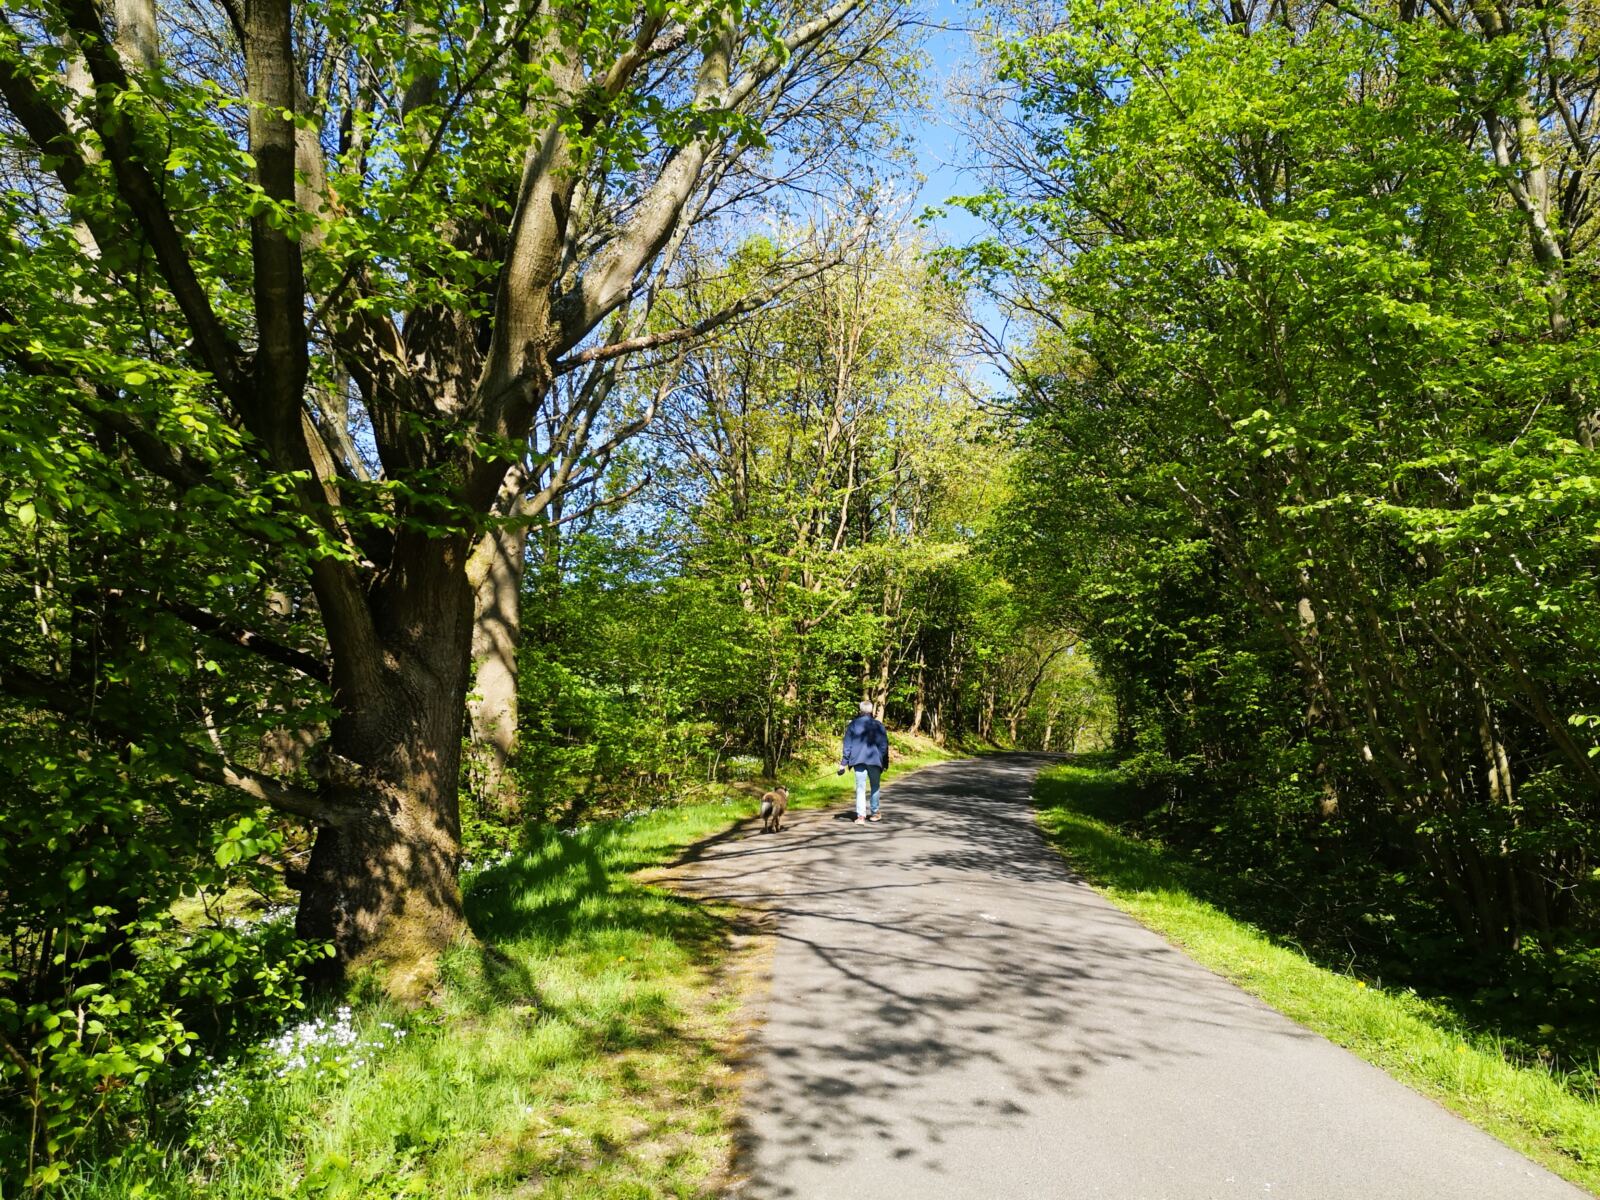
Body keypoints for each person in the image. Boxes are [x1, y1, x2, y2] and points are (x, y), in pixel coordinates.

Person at [840, 700, 889, 825]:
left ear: (860, 710)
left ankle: (861, 817)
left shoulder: (853, 725)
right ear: (871, 710)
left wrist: (843, 763)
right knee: (875, 786)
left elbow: (847, 745)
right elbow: (884, 746)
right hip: (874, 760)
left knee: (860, 788)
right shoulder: (879, 725)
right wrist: (884, 762)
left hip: (858, 760)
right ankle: (875, 813)